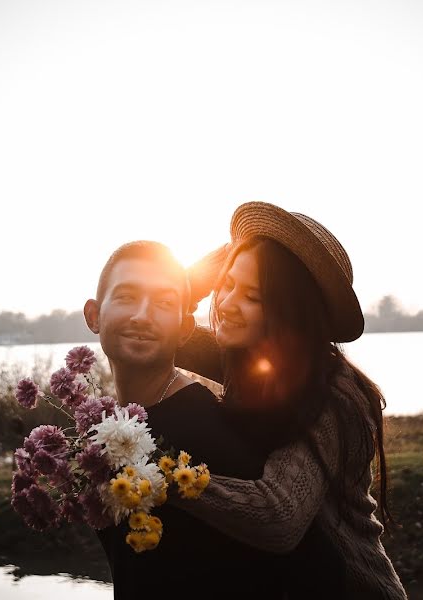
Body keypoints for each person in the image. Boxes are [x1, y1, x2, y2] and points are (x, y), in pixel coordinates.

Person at [174, 201, 409, 599]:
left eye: (253, 296)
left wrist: (157, 481)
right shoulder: (245, 358)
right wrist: (245, 249)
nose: (228, 303)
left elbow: (277, 515)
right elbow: (166, 327)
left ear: (290, 310)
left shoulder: (334, 395)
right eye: (226, 285)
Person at [82, 240, 284, 599]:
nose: (142, 315)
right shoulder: (106, 426)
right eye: (127, 296)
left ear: (185, 329)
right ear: (94, 316)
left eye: (163, 303)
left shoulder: (208, 433)